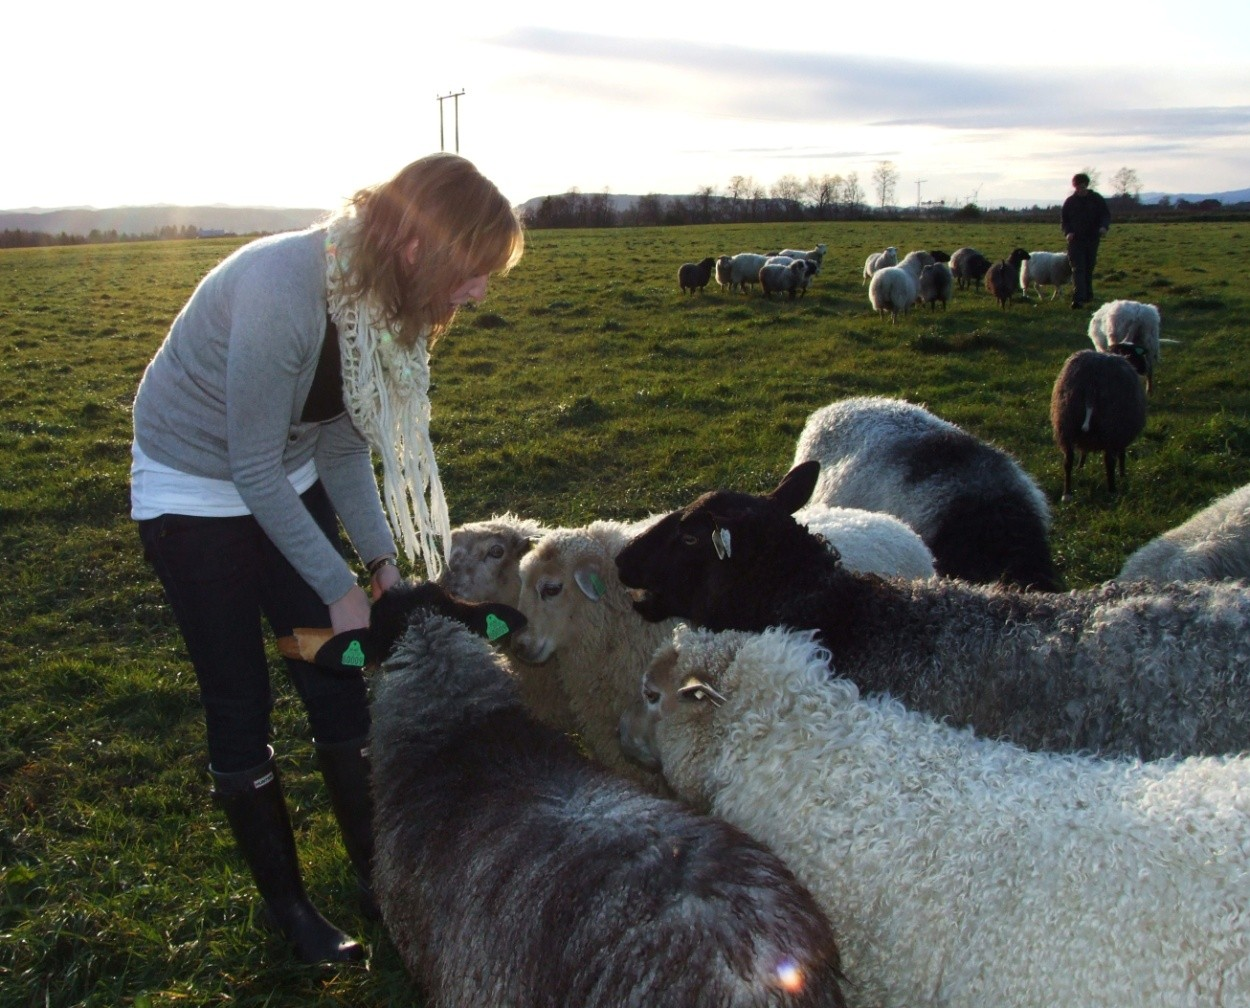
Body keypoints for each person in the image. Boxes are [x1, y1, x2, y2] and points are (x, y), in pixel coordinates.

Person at [131, 153, 524, 964]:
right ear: (420, 250)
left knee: (338, 685)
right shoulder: (284, 291)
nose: (481, 292)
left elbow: (344, 451)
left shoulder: (377, 307)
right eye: (475, 271)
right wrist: (336, 586)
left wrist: (380, 567)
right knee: (239, 700)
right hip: (195, 489)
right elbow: (248, 470)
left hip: (286, 470)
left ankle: (381, 880)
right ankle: (292, 914)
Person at [1061, 172, 1111, 309]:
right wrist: (1068, 232)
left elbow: (1105, 215)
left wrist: (1103, 227)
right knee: (1078, 269)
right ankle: (1078, 299)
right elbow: (1065, 221)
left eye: (1082, 186)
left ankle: (1088, 295)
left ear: (1087, 185)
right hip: (1075, 241)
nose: (1080, 190)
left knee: (1089, 268)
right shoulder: (1070, 202)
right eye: (1077, 187)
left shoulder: (1096, 199)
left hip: (1092, 239)